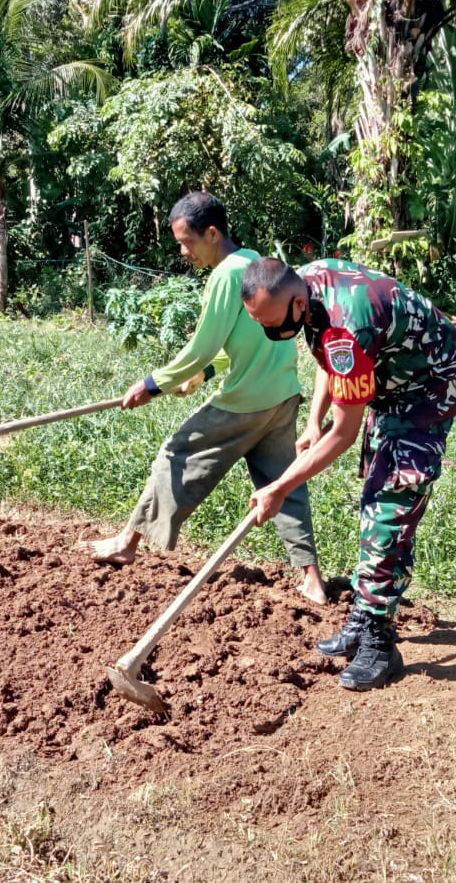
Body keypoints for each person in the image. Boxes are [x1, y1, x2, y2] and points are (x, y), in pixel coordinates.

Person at [84, 192, 328, 605]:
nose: (183, 251)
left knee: (175, 455)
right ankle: (312, 579)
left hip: (245, 404)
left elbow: (200, 345)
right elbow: (236, 343)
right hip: (283, 398)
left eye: (187, 241)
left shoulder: (226, 275)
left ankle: (127, 542)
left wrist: (152, 383)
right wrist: (204, 373)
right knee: (284, 485)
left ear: (212, 233)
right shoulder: (256, 263)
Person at [239, 255, 456, 690]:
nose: (272, 333)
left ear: (294, 301)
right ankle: (365, 617)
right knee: (376, 496)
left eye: (274, 324)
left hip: (428, 385)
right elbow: (329, 355)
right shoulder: (308, 287)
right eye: (262, 325)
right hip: (387, 381)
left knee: (390, 504)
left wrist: (278, 487)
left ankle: (381, 643)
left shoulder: (350, 324)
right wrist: (312, 421)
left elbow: (342, 433)